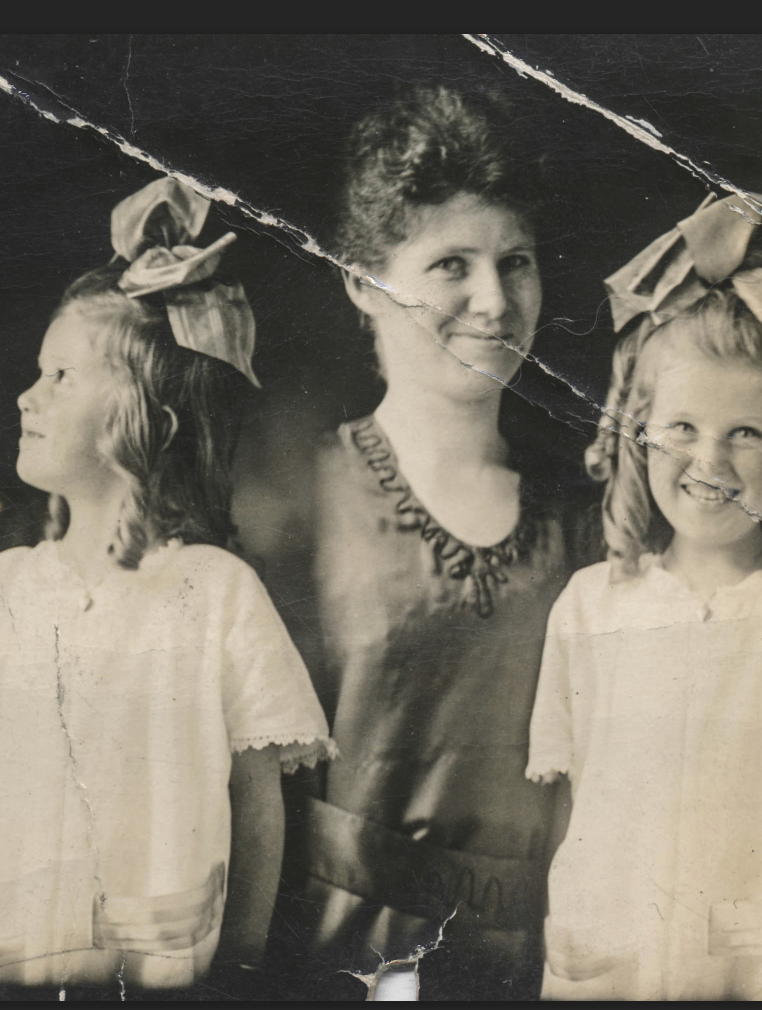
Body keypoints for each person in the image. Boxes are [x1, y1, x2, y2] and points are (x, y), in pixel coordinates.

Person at [0, 177, 335, 994]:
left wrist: (244, 965)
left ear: (148, 416)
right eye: (37, 373)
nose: (27, 396)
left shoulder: (216, 592)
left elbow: (259, 808)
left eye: (61, 378)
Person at [262, 85, 602, 999]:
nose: (494, 300)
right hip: (331, 967)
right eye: (452, 264)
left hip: (535, 968)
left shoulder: (589, 519)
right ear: (358, 281)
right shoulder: (298, 496)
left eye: (516, 261)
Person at [526, 194, 762, 1000]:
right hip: (610, 967)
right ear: (635, 431)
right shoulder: (592, 606)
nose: (709, 462)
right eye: (680, 428)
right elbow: (571, 810)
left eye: (744, 433)